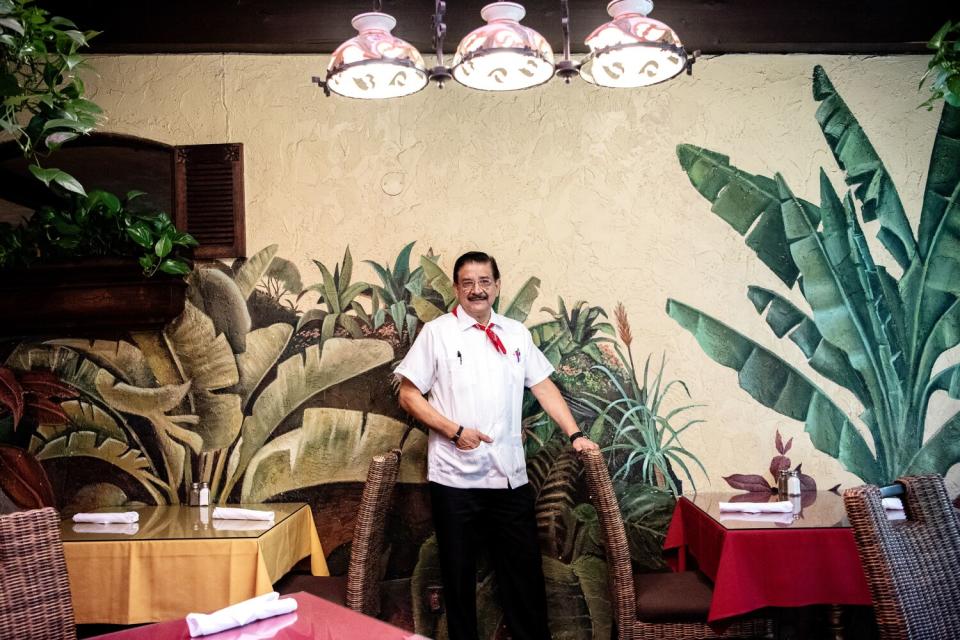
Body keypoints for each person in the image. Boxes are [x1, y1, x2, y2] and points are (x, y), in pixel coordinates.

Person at [395, 250, 598, 640]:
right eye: (468, 283)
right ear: (456, 288)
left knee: (523, 581)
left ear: (497, 285)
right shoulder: (437, 333)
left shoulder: (516, 334)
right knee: (458, 583)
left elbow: (542, 386)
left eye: (484, 282)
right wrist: (454, 430)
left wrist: (576, 434)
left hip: (509, 480)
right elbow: (408, 394)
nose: (476, 290)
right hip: (455, 482)